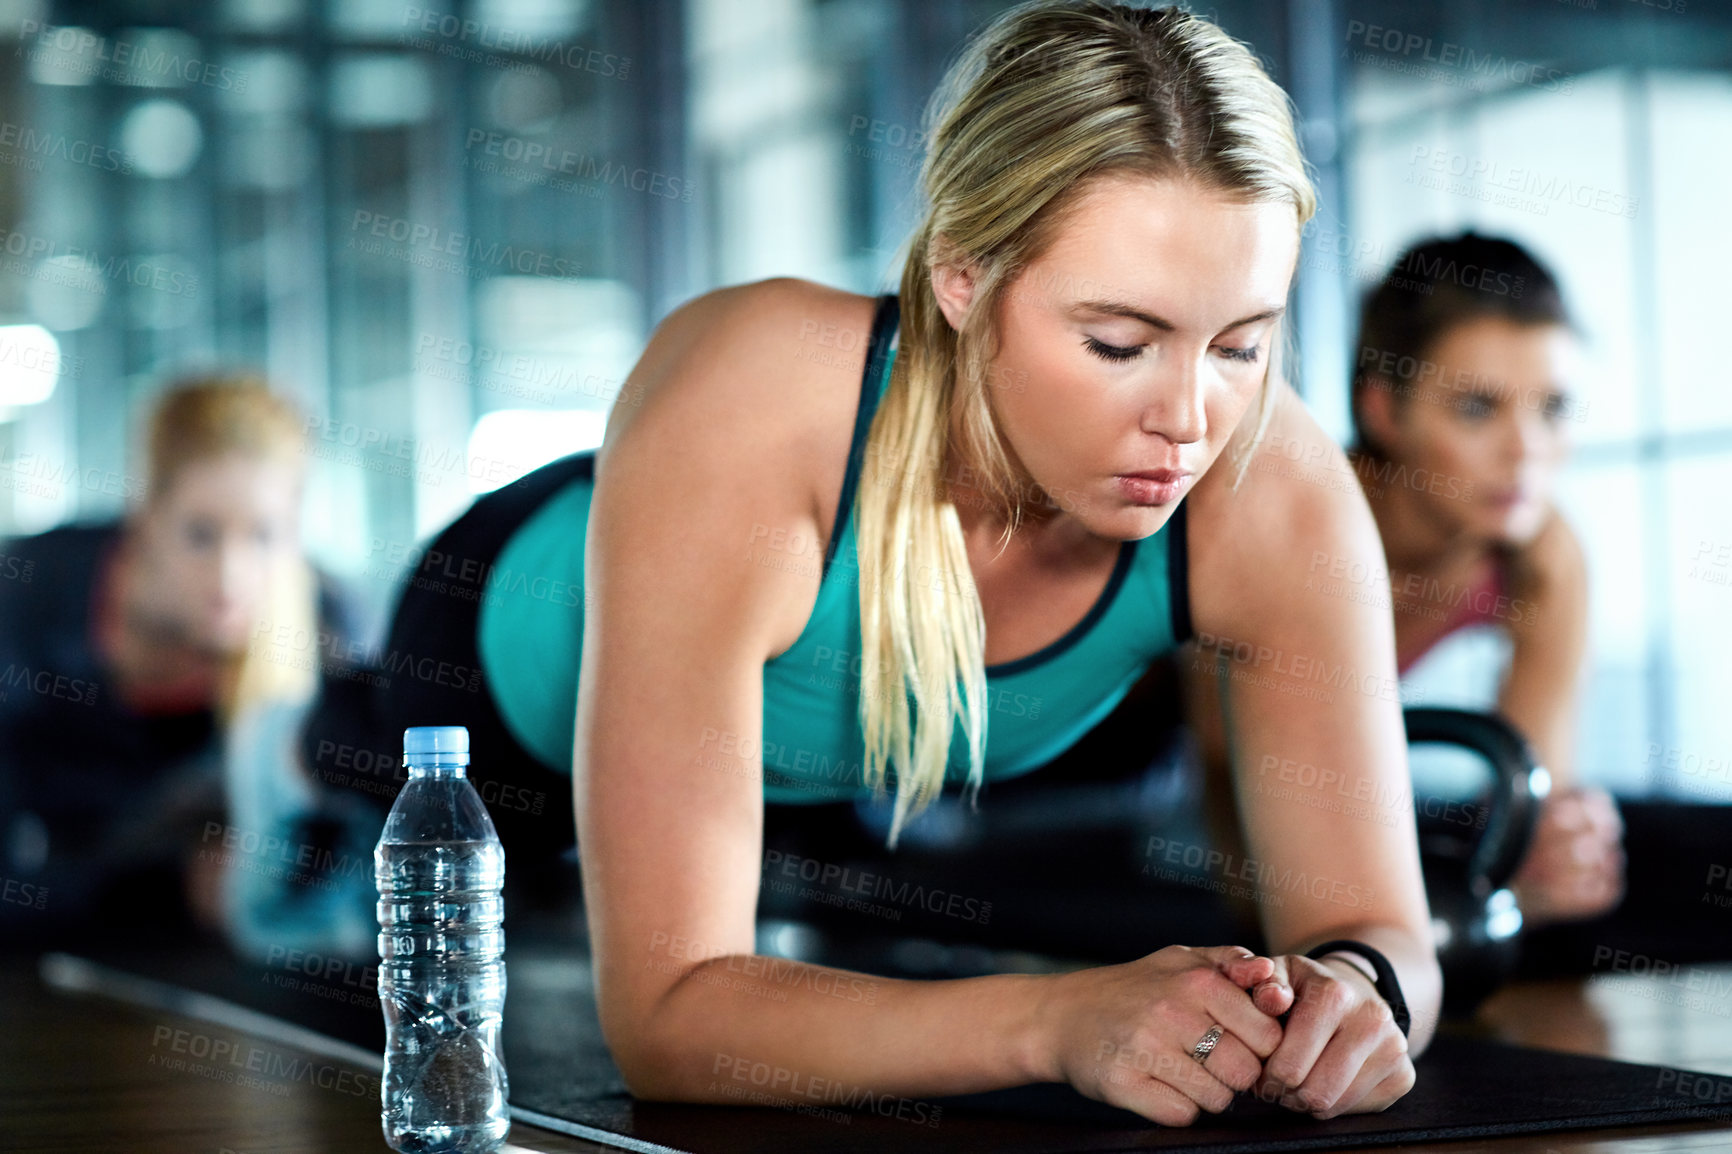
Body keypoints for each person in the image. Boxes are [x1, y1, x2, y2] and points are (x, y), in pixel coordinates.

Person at [289, 0, 1439, 1123]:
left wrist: (1355, 992)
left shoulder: (1271, 485)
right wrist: (1055, 1021)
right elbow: (668, 1018)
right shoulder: (752, 388)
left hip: (837, 768)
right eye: (1117, 342)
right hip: (494, 687)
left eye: (1241, 343)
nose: (1191, 418)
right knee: (347, 810)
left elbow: (1385, 932)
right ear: (961, 276)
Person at [1183, 232, 1625, 931]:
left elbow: (1531, 800)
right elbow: (1240, 831)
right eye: (1478, 408)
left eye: (1554, 408)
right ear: (1384, 410)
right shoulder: (1286, 522)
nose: (1527, 452)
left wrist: (1551, 859)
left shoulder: (1544, 555)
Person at [0, 373, 361, 946]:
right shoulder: (24, 599)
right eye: (200, 534)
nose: (230, 577)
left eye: (264, 536)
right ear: (144, 517)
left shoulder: (327, 633)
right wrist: (165, 887)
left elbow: (356, 873)